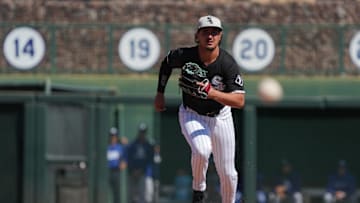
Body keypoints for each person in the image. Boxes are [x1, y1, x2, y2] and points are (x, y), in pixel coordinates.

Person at [154, 15, 246, 203]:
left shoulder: (227, 63)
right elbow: (167, 63)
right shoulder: (185, 56)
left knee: (229, 173)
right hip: (192, 114)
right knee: (202, 150)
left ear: (220, 37)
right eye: (205, 32)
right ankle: (198, 192)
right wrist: (160, 93)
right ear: (197, 36)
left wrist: (212, 93)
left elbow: (239, 100)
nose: (210, 36)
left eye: (215, 32)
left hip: (221, 116)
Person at [127, 123, 155, 203]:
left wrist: (141, 170)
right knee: (131, 195)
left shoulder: (148, 145)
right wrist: (133, 170)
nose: (142, 134)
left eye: (144, 132)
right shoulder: (133, 144)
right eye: (141, 132)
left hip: (144, 173)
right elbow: (129, 158)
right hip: (132, 173)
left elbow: (150, 160)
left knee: (145, 196)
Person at [107, 127, 127, 203]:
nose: (113, 137)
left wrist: (123, 163)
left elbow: (124, 158)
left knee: (116, 192)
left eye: (114, 136)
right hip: (107, 172)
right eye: (111, 135)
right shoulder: (106, 147)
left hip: (116, 171)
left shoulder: (119, 147)